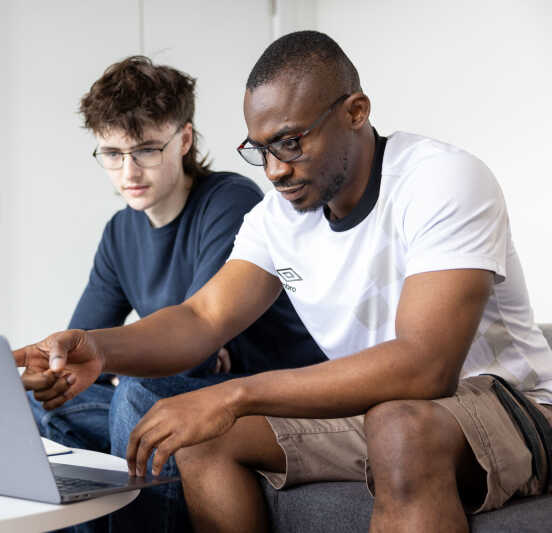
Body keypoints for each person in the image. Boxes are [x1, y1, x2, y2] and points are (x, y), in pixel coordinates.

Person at [22, 55, 326, 532]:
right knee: (41, 405)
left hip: (263, 393)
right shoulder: (120, 233)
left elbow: (194, 347)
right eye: (112, 154)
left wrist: (165, 363)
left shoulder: (230, 201)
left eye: (145, 150)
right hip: (178, 387)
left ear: (184, 139)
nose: (128, 172)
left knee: (141, 396)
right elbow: (87, 347)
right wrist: (58, 373)